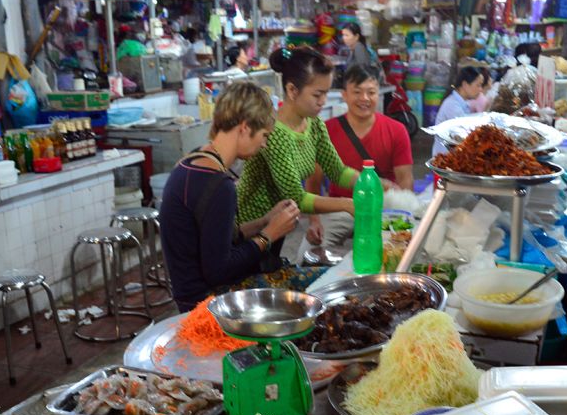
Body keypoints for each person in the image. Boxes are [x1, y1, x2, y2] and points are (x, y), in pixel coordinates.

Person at [159, 81, 324, 310]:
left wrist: (264, 221)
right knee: (322, 284)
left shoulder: (194, 161)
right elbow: (219, 270)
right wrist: (268, 235)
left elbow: (214, 240)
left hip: (187, 294)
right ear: (245, 128)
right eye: (264, 135)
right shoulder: (217, 185)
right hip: (206, 303)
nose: (265, 144)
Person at [236, 46, 357, 258]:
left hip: (278, 223)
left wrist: (369, 181)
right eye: (317, 94)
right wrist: (346, 205)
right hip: (248, 228)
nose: (323, 101)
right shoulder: (274, 132)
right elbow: (297, 198)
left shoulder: (314, 124)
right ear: (292, 90)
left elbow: (337, 171)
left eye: (326, 93)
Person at [305, 64, 414, 248]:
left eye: (371, 92)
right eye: (357, 92)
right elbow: (313, 183)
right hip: (340, 208)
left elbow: (405, 180)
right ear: (344, 95)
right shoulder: (325, 131)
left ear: (378, 93)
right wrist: (314, 221)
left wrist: (401, 218)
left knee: (396, 256)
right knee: (307, 254)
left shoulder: (397, 130)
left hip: (383, 208)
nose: (364, 98)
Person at [431, 66, 486, 157]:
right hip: (444, 160)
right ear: (465, 85)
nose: (481, 90)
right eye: (478, 85)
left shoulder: (463, 103)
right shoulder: (452, 105)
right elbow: (466, 133)